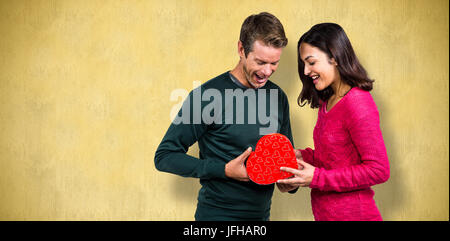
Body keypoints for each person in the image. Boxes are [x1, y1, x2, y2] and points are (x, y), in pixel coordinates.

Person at [154, 12, 298, 221]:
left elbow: (285, 161)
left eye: (274, 63)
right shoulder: (206, 97)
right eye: (260, 62)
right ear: (241, 49)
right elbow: (164, 156)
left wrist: (290, 183)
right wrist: (223, 170)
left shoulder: (278, 98)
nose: (267, 71)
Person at [277, 23, 390, 221]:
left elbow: (378, 170)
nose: (305, 71)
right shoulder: (327, 101)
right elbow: (333, 159)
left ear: (335, 58)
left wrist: (317, 178)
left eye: (311, 62)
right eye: (303, 64)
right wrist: (301, 157)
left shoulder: (357, 102)